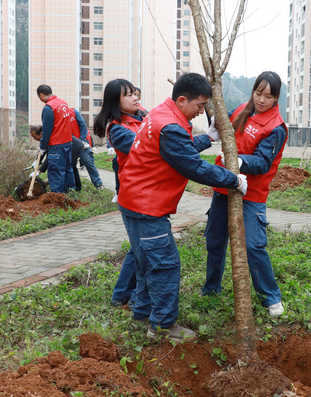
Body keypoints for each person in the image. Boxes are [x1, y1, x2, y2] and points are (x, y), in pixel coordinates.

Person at [117, 73, 248, 342]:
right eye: (199, 106)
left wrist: (208, 138)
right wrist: (233, 179)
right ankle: (162, 326)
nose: (201, 113)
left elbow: (181, 149)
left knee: (144, 262)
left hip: (132, 200)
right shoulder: (171, 127)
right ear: (182, 99)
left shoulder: (160, 114)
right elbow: (193, 166)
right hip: (147, 206)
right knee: (164, 265)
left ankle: (142, 311)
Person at [201, 71, 287, 317]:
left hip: (251, 194)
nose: (262, 100)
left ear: (276, 98)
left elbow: (262, 163)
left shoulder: (276, 128)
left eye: (268, 96)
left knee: (253, 246)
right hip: (223, 187)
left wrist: (236, 160)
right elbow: (225, 122)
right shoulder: (242, 109)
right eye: (258, 93)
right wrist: (215, 123)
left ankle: (271, 297)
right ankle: (211, 290)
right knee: (214, 240)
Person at [93, 78, 144, 307]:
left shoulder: (139, 118)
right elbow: (145, 147)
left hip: (143, 192)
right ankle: (127, 297)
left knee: (139, 247)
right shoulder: (118, 129)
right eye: (128, 95)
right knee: (141, 250)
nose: (135, 97)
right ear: (116, 101)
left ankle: (121, 295)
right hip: (133, 195)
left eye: (135, 93)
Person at [36, 84, 77, 193]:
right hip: (68, 143)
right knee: (68, 169)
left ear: (41, 95)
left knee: (56, 171)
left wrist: (42, 147)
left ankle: (58, 198)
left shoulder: (49, 107)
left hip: (56, 145)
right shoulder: (63, 103)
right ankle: (71, 195)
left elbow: (46, 130)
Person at [71, 109, 103, 191]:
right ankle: (75, 187)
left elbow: (83, 125)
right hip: (71, 145)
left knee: (88, 162)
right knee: (71, 166)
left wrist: (81, 141)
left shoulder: (73, 112)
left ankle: (98, 183)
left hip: (82, 143)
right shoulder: (59, 117)